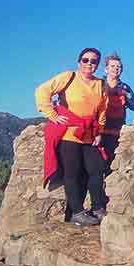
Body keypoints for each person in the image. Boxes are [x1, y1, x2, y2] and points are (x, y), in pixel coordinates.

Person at [35, 48, 109, 227]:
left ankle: (98, 208)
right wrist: (51, 114)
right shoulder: (68, 77)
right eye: (86, 60)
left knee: (96, 169)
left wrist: (99, 131)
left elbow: (102, 110)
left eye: (94, 61)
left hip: (88, 134)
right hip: (69, 133)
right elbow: (42, 90)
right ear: (79, 62)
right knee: (72, 173)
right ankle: (77, 212)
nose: (89, 63)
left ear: (98, 64)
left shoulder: (100, 84)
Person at [102, 53, 134, 170]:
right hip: (99, 131)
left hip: (116, 132)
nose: (116, 69)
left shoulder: (124, 87)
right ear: (106, 69)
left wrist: (127, 95)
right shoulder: (99, 84)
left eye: (119, 67)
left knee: (110, 166)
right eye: (113, 66)